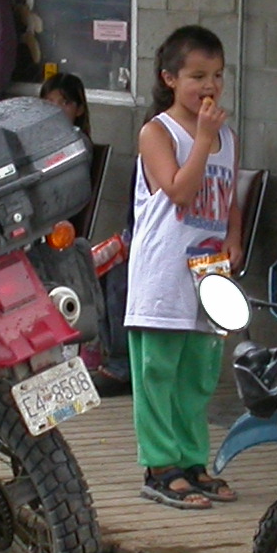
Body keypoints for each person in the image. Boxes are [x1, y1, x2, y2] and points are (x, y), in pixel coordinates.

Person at [125, 27, 244, 509]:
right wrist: (203, 138)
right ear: (170, 78)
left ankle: (193, 460)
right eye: (197, 76)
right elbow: (178, 189)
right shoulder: (157, 131)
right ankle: (159, 465)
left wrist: (234, 238)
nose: (209, 85)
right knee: (159, 370)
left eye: (217, 75)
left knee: (199, 372)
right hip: (162, 276)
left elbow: (229, 198)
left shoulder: (226, 137)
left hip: (208, 273)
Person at [42, 71, 130, 396]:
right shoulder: (40, 141)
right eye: (48, 102)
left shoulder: (75, 143)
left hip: (59, 232)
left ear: (78, 108)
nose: (54, 109)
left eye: (62, 103)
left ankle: (114, 361)